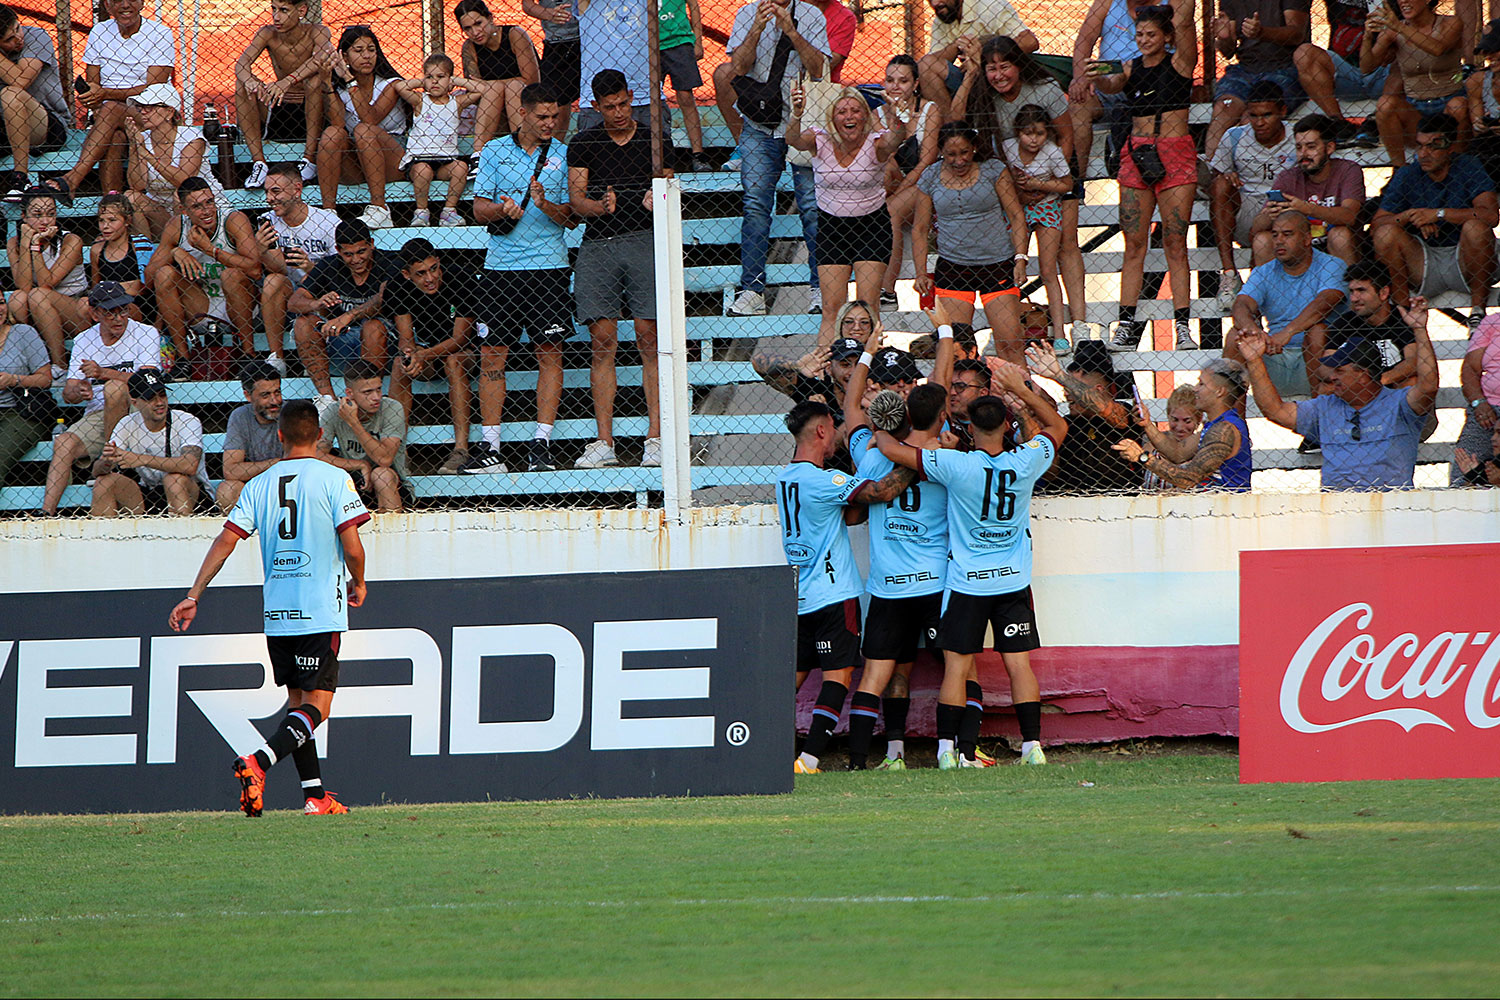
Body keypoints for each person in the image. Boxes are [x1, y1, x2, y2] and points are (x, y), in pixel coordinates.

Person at [168, 397, 368, 818]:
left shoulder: (259, 485)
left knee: (298, 704)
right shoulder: (333, 480)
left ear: (278, 436)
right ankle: (258, 762)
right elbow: (352, 544)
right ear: (319, 435)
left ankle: (315, 796)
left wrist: (194, 595)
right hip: (319, 609)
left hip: (278, 614)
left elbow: (226, 541)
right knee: (319, 707)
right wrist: (360, 581)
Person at [872, 370, 1068, 768]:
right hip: (1012, 580)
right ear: (1007, 426)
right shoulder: (1027, 459)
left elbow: (893, 451)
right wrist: (1018, 388)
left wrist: (883, 426)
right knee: (1018, 664)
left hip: (967, 583)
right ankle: (1033, 747)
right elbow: (1057, 425)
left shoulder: (954, 464)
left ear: (971, 428)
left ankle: (947, 751)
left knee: (957, 667)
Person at [776, 399, 919, 774]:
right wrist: (921, 460)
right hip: (833, 594)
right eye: (835, 428)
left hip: (800, 595)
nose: (840, 436)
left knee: (790, 679)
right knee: (837, 678)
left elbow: (848, 514)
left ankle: (761, 748)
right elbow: (882, 493)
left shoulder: (785, 479)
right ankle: (808, 759)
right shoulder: (824, 480)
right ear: (821, 430)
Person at [841, 328, 955, 771]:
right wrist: (943, 331)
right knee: (957, 666)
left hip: (889, 585)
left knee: (878, 673)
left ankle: (876, 758)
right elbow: (939, 385)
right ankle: (958, 752)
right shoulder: (940, 452)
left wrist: (867, 352)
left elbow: (850, 407)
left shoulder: (866, 453)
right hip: (936, 582)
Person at [465, 82, 573, 475]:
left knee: (550, 352)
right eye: (542, 116)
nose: (550, 123)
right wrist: (502, 209)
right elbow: (478, 209)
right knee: (492, 353)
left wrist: (546, 204)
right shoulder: (494, 150)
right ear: (523, 114)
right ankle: (490, 447)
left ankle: (540, 442)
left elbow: (572, 217)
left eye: (554, 116)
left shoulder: (563, 153)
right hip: (501, 267)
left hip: (549, 265)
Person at [956, 35, 1091, 346]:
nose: (999, 75)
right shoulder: (984, 96)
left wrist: (1051, 181)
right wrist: (974, 74)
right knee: (1009, 255)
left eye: (1005, 66)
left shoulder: (1043, 89)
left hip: (1055, 174)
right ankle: (1005, 327)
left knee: (1066, 245)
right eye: (991, 69)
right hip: (1012, 183)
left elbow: (1066, 135)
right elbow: (957, 118)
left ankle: (1079, 324)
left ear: (1018, 65)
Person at [1089, 0, 1200, 353]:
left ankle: (1183, 327)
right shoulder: (1128, 66)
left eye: (1151, 34)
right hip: (1136, 152)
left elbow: (1186, 23)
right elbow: (1110, 81)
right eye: (1139, 34)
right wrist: (1093, 74)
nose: (1144, 39)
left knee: (1174, 242)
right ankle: (1126, 325)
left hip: (1175, 152)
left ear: (1166, 36)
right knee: (1134, 244)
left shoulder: (1180, 62)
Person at [567, 69, 661, 469]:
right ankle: (604, 441)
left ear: (631, 97)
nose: (619, 112)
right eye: (610, 107)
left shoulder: (653, 137)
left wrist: (656, 195)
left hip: (644, 238)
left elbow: (668, 182)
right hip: (599, 243)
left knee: (648, 337)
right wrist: (598, 207)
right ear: (595, 107)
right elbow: (575, 198)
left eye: (623, 103)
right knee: (602, 340)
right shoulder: (584, 141)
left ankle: (656, 436)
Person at [1241, 299, 1437, 490]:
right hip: (1337, 511)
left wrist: (1420, 330)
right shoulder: (1324, 407)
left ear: (1363, 375)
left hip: (1392, 509)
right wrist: (1254, 361)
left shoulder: (1399, 403)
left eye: (1340, 371)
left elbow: (1428, 386)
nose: (1332, 377)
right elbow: (1275, 410)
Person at [724, 0, 829, 319]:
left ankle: (821, 288)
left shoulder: (811, 15)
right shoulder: (746, 13)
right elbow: (738, 67)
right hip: (758, 124)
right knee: (755, 207)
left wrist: (792, 32)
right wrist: (757, 27)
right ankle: (752, 290)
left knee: (812, 207)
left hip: (801, 120)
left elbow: (819, 68)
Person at [787, 82, 905, 342]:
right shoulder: (819, 139)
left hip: (871, 226)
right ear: (832, 118)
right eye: (842, 112)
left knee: (867, 306)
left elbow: (897, 138)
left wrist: (896, 115)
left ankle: (868, 369)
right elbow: (792, 140)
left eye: (855, 110)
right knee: (832, 308)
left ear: (865, 116)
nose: (849, 116)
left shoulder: (876, 142)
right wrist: (796, 114)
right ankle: (826, 372)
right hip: (832, 228)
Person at [912, 122, 1029, 364]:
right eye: (951, 154)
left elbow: (1017, 215)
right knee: (956, 349)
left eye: (964, 152)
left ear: (974, 148)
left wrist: (1020, 258)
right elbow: (920, 228)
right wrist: (920, 271)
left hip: (997, 263)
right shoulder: (930, 175)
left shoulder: (992, 169)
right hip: (954, 267)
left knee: (1010, 343)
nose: (959, 161)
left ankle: (1020, 397)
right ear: (941, 151)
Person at [1370, 114, 1498, 331]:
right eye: (1419, 146)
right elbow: (1376, 225)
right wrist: (1413, 215)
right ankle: (1402, 316)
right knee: (1385, 234)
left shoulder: (1468, 166)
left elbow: (1491, 216)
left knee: (1475, 227)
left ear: (1450, 148)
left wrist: (1439, 214)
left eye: (1433, 147)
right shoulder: (1408, 174)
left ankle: (1477, 313)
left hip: (1467, 259)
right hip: (1424, 261)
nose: (1423, 154)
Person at [42, 282, 161, 515]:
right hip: (98, 413)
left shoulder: (146, 333)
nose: (119, 318)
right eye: (110, 312)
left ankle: (110, 461)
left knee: (114, 389)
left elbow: (149, 380)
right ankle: (45, 514)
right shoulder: (84, 340)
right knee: (64, 443)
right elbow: (69, 393)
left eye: (123, 310)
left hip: (138, 411)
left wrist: (103, 373)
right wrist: (79, 391)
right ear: (95, 313)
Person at [46, 0, 175, 202]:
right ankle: (113, 205)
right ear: (107, 5)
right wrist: (93, 99)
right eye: (117, 0)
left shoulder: (160, 33)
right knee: (115, 138)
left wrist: (105, 95)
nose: (125, 5)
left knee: (112, 108)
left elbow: (154, 89)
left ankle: (72, 179)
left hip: (151, 112)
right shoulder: (99, 31)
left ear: (141, 2)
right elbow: (93, 82)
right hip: (110, 115)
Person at [145, 177, 264, 375]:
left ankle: (248, 355)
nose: (207, 210)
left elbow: (255, 270)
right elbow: (149, 279)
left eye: (210, 202)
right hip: (202, 305)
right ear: (185, 211)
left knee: (231, 276)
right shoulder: (177, 225)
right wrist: (174, 252)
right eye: (197, 206)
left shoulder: (233, 220)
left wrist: (211, 251)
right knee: (165, 274)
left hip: (241, 306)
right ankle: (183, 359)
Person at [1226, 211, 1346, 398]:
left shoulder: (1331, 265)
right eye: (1275, 235)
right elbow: (1241, 305)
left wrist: (1287, 333)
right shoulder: (1264, 272)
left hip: (1320, 361)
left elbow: (1325, 302)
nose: (1279, 241)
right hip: (1275, 356)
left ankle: (1320, 414)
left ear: (1307, 239)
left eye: (1287, 234)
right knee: (1236, 336)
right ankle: (1234, 424)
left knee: (1317, 331)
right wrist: (1253, 332)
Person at [385, 238, 475, 475]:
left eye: (434, 268)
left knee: (453, 361)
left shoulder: (460, 278)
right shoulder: (397, 286)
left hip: (466, 353)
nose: (430, 278)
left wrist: (422, 354)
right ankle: (398, 452)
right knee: (399, 364)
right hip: (427, 352)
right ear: (407, 274)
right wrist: (410, 356)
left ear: (438, 262)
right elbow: (405, 336)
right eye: (421, 273)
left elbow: (460, 339)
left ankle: (461, 450)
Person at [1207, 81, 1295, 304]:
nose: (1260, 122)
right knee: (1219, 184)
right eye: (1254, 115)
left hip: (1285, 208)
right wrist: (1228, 177)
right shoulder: (1235, 136)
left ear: (1282, 112)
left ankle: (1256, 296)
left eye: (1267, 115)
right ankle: (1229, 274)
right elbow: (1213, 179)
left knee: (1265, 240)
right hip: (1247, 206)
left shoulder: (1297, 137)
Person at [290, 218, 398, 398]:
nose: (356, 260)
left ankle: (368, 397)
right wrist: (316, 303)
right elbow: (294, 302)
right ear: (339, 250)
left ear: (371, 244)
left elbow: (384, 297)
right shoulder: (330, 265)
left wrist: (348, 316)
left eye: (361, 252)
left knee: (372, 327)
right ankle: (327, 400)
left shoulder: (389, 262)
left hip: (384, 343)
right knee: (303, 323)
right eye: (348, 254)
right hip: (341, 340)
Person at [1112, 358, 1253, 491]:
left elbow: (1189, 478)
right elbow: (1178, 453)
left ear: (1220, 391)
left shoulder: (1224, 429)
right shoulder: (1217, 424)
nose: (1196, 389)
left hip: (1227, 511)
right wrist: (1147, 424)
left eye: (1202, 384)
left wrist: (1143, 457)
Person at [319, 26, 409, 229]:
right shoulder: (341, 90)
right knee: (332, 133)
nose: (367, 56)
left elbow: (370, 119)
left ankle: (380, 208)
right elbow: (338, 124)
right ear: (345, 57)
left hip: (392, 158)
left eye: (371, 50)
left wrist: (349, 80)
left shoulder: (390, 84)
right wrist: (327, 83)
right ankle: (328, 213)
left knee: (363, 129)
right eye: (358, 51)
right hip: (359, 161)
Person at [234, 0, 331, 189]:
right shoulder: (267, 33)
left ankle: (309, 160)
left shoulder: (318, 31)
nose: (276, 16)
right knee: (242, 84)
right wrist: (250, 82)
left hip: (312, 109)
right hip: (280, 106)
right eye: (274, 9)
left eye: (284, 10)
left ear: (301, 10)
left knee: (314, 80)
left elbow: (319, 58)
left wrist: (288, 80)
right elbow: (241, 63)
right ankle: (259, 163)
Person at [255, 162, 339, 374]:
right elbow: (279, 269)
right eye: (267, 192)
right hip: (286, 295)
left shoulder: (328, 222)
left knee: (304, 281)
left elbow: (342, 273)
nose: (269, 199)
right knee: (273, 280)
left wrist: (312, 269)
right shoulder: (268, 221)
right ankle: (277, 358)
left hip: (322, 294)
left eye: (276, 191)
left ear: (297, 190)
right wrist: (263, 251)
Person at [90, 366, 209, 516]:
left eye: (162, 395)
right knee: (104, 482)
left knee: (174, 480)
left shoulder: (187, 420)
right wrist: (107, 461)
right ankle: (105, 538)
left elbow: (190, 465)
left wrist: (140, 459)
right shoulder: (127, 423)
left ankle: (183, 535)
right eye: (150, 398)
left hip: (192, 493)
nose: (159, 402)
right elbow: (96, 471)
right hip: (148, 493)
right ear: (135, 402)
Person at [1362, 0, 1468, 167]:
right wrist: (1367, 37)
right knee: (1385, 104)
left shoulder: (1450, 23)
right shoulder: (1393, 30)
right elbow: (1366, 67)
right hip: (1416, 109)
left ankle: (1457, 165)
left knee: (1459, 105)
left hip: (1449, 104)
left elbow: (1437, 48)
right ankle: (1400, 170)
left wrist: (1399, 27)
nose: (1403, 1)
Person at [1004, 106, 1075, 352]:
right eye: (1027, 133)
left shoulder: (1052, 153)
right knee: (1009, 266)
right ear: (1018, 133)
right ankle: (1004, 332)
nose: (1033, 139)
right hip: (1017, 209)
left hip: (1046, 206)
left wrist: (1038, 184)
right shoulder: (1008, 148)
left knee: (1048, 270)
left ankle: (1060, 334)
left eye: (1040, 134)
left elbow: (1067, 184)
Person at [1026, 339, 1138, 493]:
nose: (1066, 394)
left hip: (1120, 499)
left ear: (1098, 390)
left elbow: (1107, 410)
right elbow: (1050, 473)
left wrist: (1059, 375)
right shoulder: (1066, 424)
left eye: (1072, 387)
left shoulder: (1124, 413)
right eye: (1065, 388)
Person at [1204, 0, 1309, 162]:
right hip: (1246, 67)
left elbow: (1296, 34)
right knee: (1223, 109)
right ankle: (1215, 171)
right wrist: (1224, 38)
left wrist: (1262, 33)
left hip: (1284, 66)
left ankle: (1249, 177)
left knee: (1252, 116)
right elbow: (1228, 52)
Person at [879, 55, 944, 307]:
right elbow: (886, 158)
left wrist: (900, 192)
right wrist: (894, 117)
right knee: (885, 169)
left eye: (903, 81)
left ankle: (887, 289)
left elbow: (927, 161)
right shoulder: (878, 114)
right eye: (890, 80)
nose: (895, 86)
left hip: (926, 183)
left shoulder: (930, 110)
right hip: (895, 183)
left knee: (891, 211)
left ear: (915, 84)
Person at [1260, 114, 1365, 266]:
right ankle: (1273, 289)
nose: (1303, 154)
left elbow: (1349, 216)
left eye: (1311, 147)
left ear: (1329, 148)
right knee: (1261, 239)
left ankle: (1345, 288)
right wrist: (1269, 215)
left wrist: (1305, 208)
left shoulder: (1347, 170)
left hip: (1335, 245)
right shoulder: (1288, 177)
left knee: (1339, 235)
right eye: (1298, 147)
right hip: (1298, 248)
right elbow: (1255, 229)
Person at [124, 82, 225, 240]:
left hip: (201, 207)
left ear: (169, 112)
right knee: (131, 196)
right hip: (162, 212)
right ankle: (145, 254)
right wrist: (133, 146)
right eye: (140, 107)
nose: (142, 112)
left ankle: (185, 246)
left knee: (181, 195)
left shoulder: (191, 137)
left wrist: (147, 154)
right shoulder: (143, 138)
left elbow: (184, 180)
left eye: (149, 107)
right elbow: (138, 185)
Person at [395, 55, 482, 227]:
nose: (435, 81)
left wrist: (456, 80)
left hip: (445, 161)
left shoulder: (455, 103)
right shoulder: (421, 101)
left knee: (461, 167)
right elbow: (400, 87)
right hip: (420, 160)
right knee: (423, 171)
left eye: (440, 77)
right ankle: (421, 212)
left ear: (450, 80)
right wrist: (423, 83)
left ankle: (449, 211)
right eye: (430, 77)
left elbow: (480, 90)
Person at [7, 189, 88, 370]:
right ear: (23, 216)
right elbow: (23, 286)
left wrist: (35, 245)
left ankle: (59, 365)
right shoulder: (15, 243)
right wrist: (26, 242)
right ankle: (32, 361)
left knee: (39, 295)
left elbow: (46, 283)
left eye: (51, 214)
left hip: (73, 309)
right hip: (39, 312)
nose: (45, 221)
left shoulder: (71, 241)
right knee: (18, 298)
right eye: (37, 214)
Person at [918, 0, 1037, 119]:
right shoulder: (942, 19)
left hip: (1001, 76)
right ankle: (951, 130)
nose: (934, 4)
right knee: (925, 66)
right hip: (970, 79)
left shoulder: (990, 6)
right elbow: (932, 61)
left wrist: (984, 54)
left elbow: (1030, 42)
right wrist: (958, 45)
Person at [1068, 0, 1143, 185]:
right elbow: (1084, 39)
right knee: (1079, 101)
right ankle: (1077, 183)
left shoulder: (1169, 5)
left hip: (1150, 84)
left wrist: (1102, 70)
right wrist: (1081, 77)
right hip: (1107, 83)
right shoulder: (1107, 3)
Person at [318, 359, 409, 513]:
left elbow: (384, 459)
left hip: (393, 485)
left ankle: (392, 533)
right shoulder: (334, 412)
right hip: (352, 483)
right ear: (350, 393)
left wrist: (354, 422)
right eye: (367, 392)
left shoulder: (391, 408)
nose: (376, 397)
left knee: (381, 474)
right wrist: (359, 464)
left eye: (379, 389)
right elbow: (315, 454)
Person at [1290, 2, 1388, 142]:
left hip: (1384, 71)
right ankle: (1339, 123)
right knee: (1304, 53)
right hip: (1345, 73)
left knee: (1408, 48)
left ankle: (1375, 120)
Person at [0, 4, 71, 192]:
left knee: (11, 93)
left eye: (17, 28)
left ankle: (20, 178)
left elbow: (21, 81)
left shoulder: (37, 37)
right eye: (9, 39)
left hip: (46, 124)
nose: (18, 39)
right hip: (5, 127)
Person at [456, 0, 539, 154]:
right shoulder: (469, 47)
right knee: (495, 89)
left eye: (478, 23)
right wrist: (496, 87)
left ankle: (522, 150)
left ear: (490, 18)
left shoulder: (515, 35)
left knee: (511, 87)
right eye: (468, 29)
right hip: (493, 108)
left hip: (524, 102)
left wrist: (495, 85)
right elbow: (474, 87)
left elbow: (532, 81)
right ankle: (478, 155)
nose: (475, 32)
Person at [217, 362, 284, 512]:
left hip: (287, 485)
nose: (274, 401)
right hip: (254, 487)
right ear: (248, 395)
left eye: (277, 392)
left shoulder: (291, 413)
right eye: (265, 395)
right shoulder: (240, 416)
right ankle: (241, 535)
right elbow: (231, 470)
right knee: (228, 489)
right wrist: (275, 463)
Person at [0, 302, 51, 487]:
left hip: (22, 411)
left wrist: (14, 380)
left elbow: (46, 379)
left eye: (0, 302)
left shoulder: (23, 333)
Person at [658, 0, 712, 172]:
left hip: (679, 41)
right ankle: (655, 151)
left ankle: (698, 153)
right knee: (651, 98)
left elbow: (693, 5)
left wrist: (697, 39)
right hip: (651, 44)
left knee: (686, 96)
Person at [1453, 312, 1500, 485]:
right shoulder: (1493, 322)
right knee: (1463, 470)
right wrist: (1479, 402)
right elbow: (1470, 369)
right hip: (1488, 409)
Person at [523, 0, 580, 139]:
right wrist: (549, 13)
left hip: (589, 38)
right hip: (557, 42)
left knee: (594, 96)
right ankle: (553, 152)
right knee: (558, 102)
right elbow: (527, 5)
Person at [90, 194, 149, 322]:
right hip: (106, 305)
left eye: (112, 220)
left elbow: (144, 286)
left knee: (122, 307)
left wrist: (108, 289)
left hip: (136, 305)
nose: (105, 226)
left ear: (127, 221)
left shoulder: (138, 246)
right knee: (85, 305)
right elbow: (96, 287)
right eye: (101, 220)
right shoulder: (97, 250)